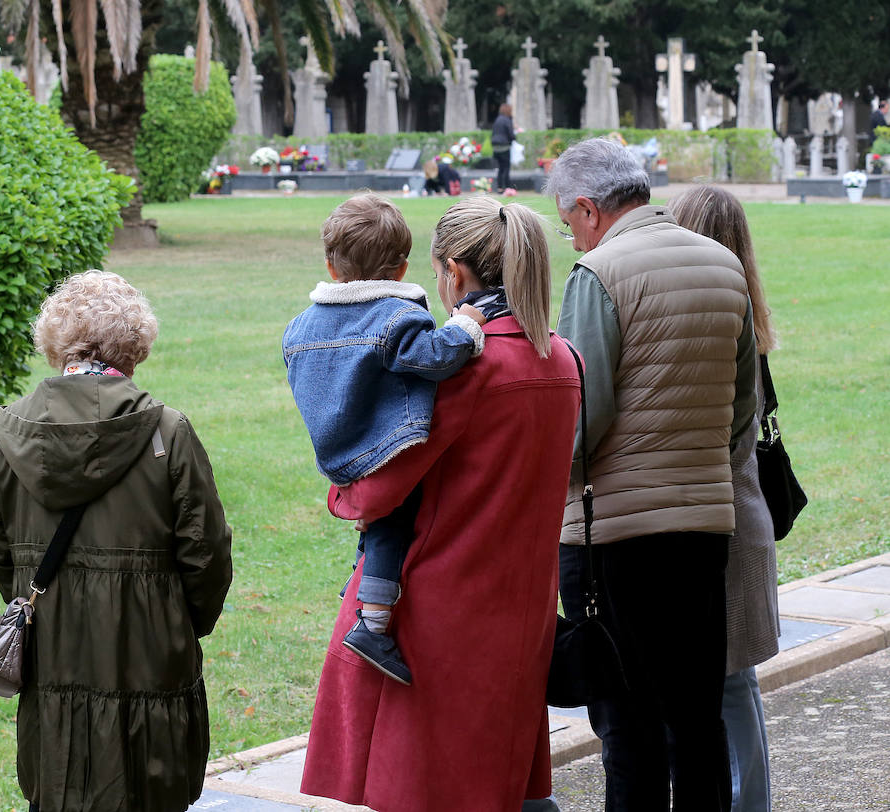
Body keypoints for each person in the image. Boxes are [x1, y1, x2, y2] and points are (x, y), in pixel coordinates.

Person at [300, 197, 581, 811]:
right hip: (522, 604)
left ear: (454, 273)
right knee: (498, 786)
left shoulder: (467, 368)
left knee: (424, 791)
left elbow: (380, 487)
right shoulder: (562, 359)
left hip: (434, 610)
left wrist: (342, 487)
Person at [0, 270, 233, 812]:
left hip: (53, 645)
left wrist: (35, 596)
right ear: (134, 345)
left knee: (60, 786)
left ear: (56, 342)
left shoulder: (6, 430)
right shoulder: (167, 431)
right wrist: (180, 623)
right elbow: (206, 554)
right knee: (150, 790)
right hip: (150, 652)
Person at [548, 139, 758, 812]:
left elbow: (583, 419)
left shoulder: (599, 273)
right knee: (698, 721)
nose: (571, 239)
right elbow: (741, 408)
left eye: (568, 224)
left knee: (629, 732)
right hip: (703, 527)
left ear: (587, 209)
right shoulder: (724, 266)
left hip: (616, 537)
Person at [283, 193, 487, 685]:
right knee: (396, 522)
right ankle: (373, 623)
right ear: (401, 269)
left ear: (331, 267)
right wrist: (465, 326)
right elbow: (433, 359)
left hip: (338, 449)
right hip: (389, 445)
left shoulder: (300, 326)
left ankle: (358, 588)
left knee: (377, 528)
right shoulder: (397, 317)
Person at [671, 185, 781, 812]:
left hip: (729, 521)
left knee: (732, 683)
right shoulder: (746, 316)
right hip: (743, 514)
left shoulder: (722, 322)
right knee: (733, 684)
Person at [492, 103, 516, 192]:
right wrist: (514, 137)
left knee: (500, 168)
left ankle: (499, 187)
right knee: (506, 167)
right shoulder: (507, 120)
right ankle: (507, 187)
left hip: (495, 147)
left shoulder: (497, 120)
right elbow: (511, 134)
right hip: (504, 146)